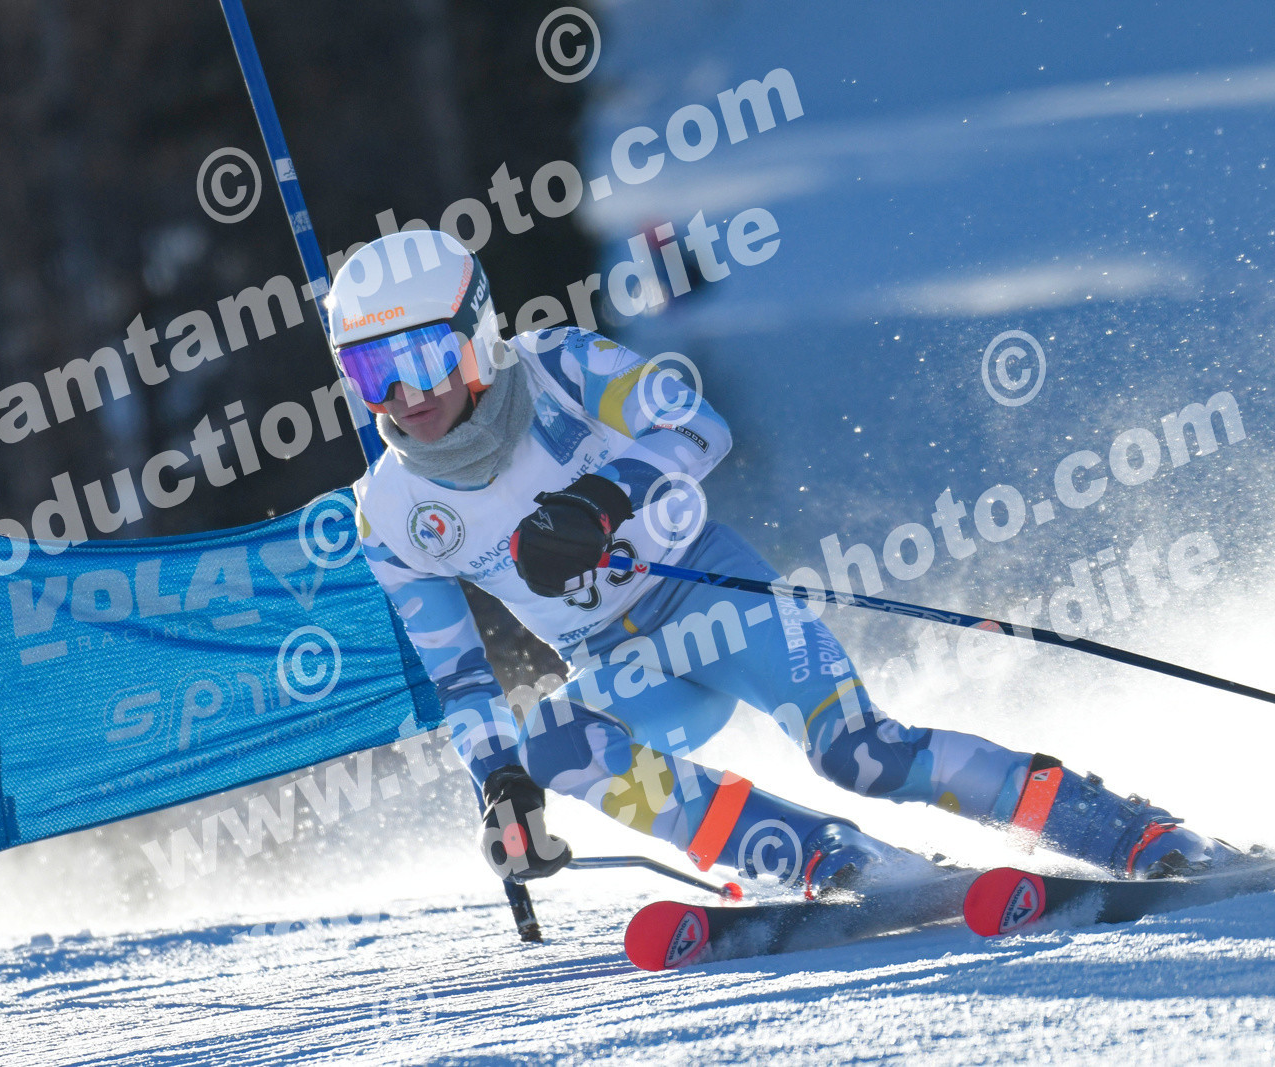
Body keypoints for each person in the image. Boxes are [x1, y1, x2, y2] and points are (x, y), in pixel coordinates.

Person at [330, 229, 1229, 895]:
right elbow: (461, 676)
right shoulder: (391, 514)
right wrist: (499, 783)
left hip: (712, 600)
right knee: (553, 743)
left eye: (420, 358)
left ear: (477, 337)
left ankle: (1120, 827)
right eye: (371, 373)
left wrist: (605, 497)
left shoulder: (560, 366)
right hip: (624, 663)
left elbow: (697, 424)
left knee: (861, 754)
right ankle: (821, 857)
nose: (403, 396)